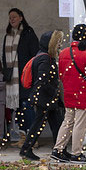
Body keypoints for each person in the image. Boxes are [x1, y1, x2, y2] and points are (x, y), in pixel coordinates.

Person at [52, 24, 86, 164]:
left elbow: (61, 74)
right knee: (80, 124)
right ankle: (76, 153)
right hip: (84, 94)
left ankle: (58, 149)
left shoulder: (64, 53)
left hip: (69, 93)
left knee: (67, 122)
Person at [20, 30, 64, 161]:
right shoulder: (45, 58)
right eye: (58, 42)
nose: (60, 45)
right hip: (44, 99)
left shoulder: (43, 56)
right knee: (39, 125)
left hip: (45, 99)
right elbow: (42, 80)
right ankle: (27, 150)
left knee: (55, 125)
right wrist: (55, 93)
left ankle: (60, 150)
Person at [2, 8, 39, 142]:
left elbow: (35, 55)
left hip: (25, 76)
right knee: (18, 107)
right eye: (10, 17)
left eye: (14, 17)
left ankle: (32, 135)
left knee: (27, 105)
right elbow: (4, 58)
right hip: (13, 79)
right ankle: (23, 136)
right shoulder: (8, 35)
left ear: (21, 18)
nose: (12, 19)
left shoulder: (28, 33)